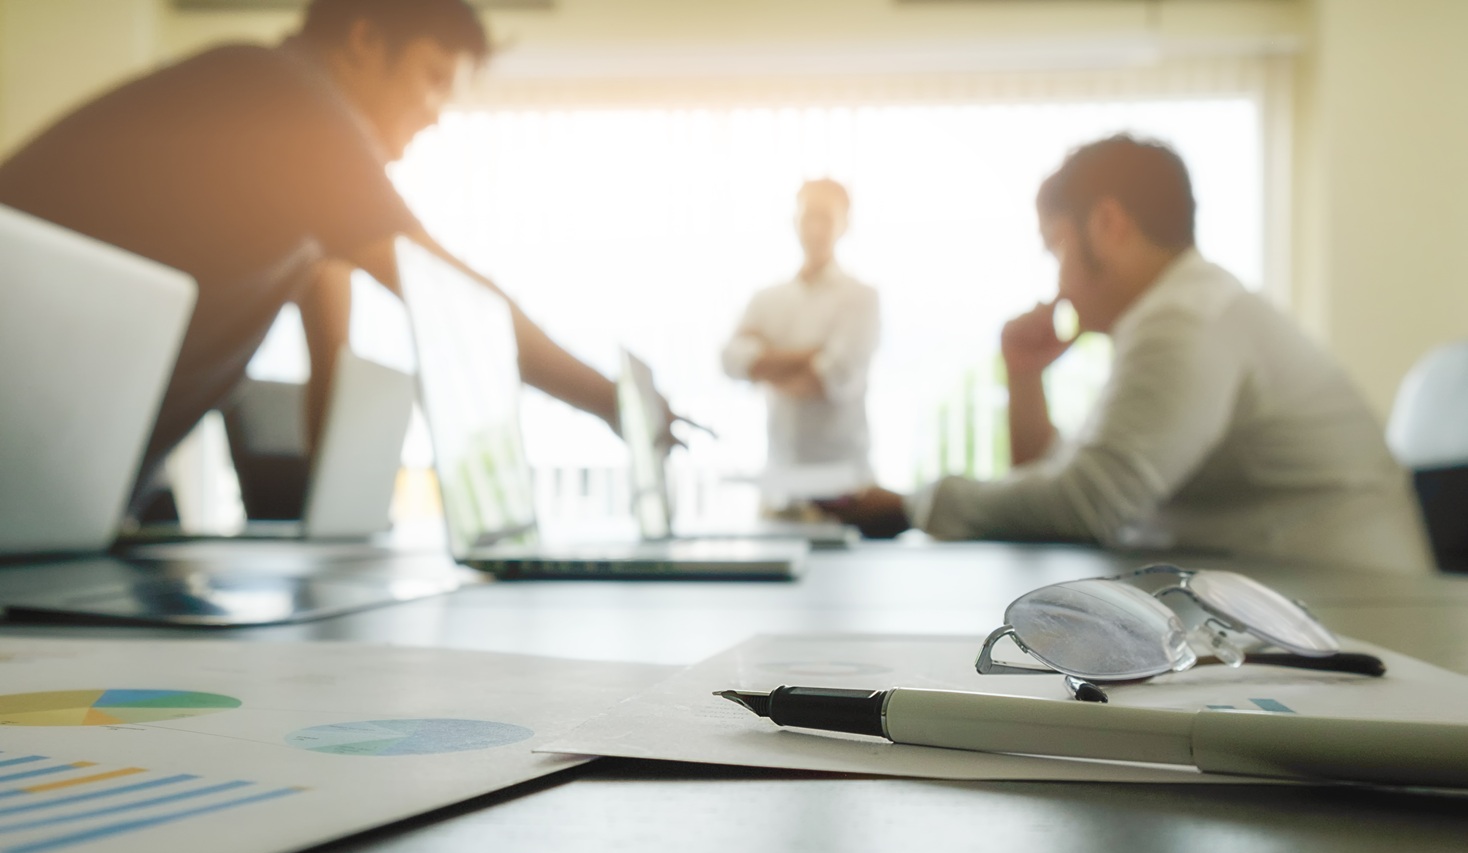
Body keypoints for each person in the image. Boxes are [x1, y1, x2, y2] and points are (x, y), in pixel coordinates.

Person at [0, 0, 670, 519]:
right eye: (432, 77)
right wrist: (614, 402)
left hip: (61, 486)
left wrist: (332, 523)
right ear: (364, 42)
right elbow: (442, 294)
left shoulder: (300, 187)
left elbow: (333, 351)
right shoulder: (280, 93)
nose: (436, 113)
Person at [821, 135, 1432, 574]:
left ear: (1108, 223)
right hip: (1310, 600)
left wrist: (912, 504)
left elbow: (1089, 504)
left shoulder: (1184, 322)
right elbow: (1062, 479)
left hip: (1361, 617)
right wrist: (1024, 377)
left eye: (1056, 245)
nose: (1056, 282)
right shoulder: (1176, 313)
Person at [721, 179, 881, 507]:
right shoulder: (767, 299)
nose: (816, 228)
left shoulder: (861, 298)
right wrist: (811, 354)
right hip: (779, 485)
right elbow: (730, 360)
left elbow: (825, 378)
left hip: (846, 489)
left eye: (826, 217)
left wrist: (764, 360)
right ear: (794, 220)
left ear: (845, 224)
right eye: (809, 216)